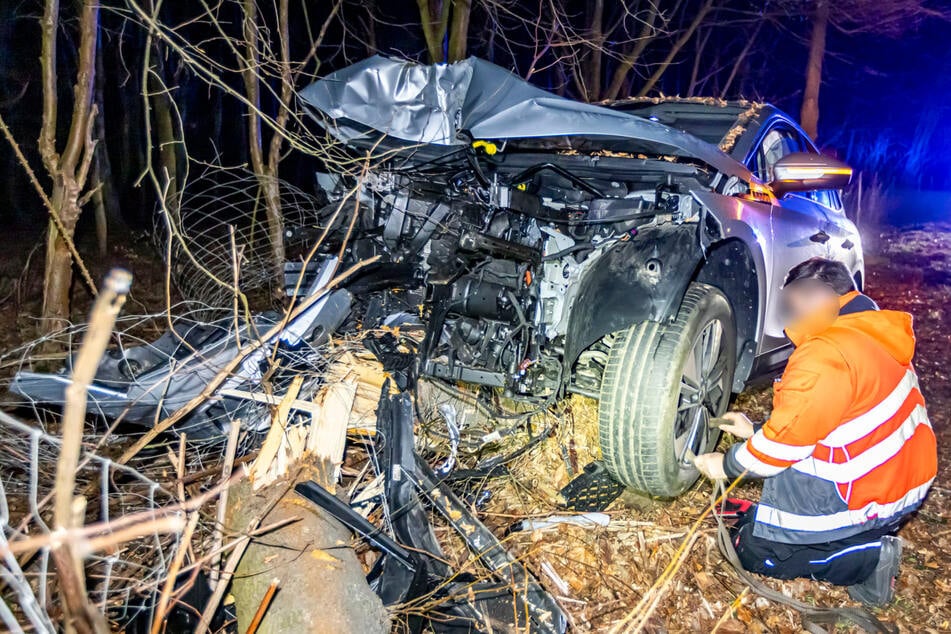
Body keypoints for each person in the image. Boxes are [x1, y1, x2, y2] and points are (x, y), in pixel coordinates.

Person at [693, 257, 936, 607]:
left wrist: (727, 464)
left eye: (791, 303)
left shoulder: (825, 352)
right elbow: (830, 421)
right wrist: (755, 430)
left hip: (872, 496)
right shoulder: (867, 332)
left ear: (817, 294)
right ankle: (851, 536)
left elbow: (782, 448)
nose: (787, 315)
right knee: (753, 520)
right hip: (901, 482)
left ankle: (869, 558)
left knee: (753, 551)